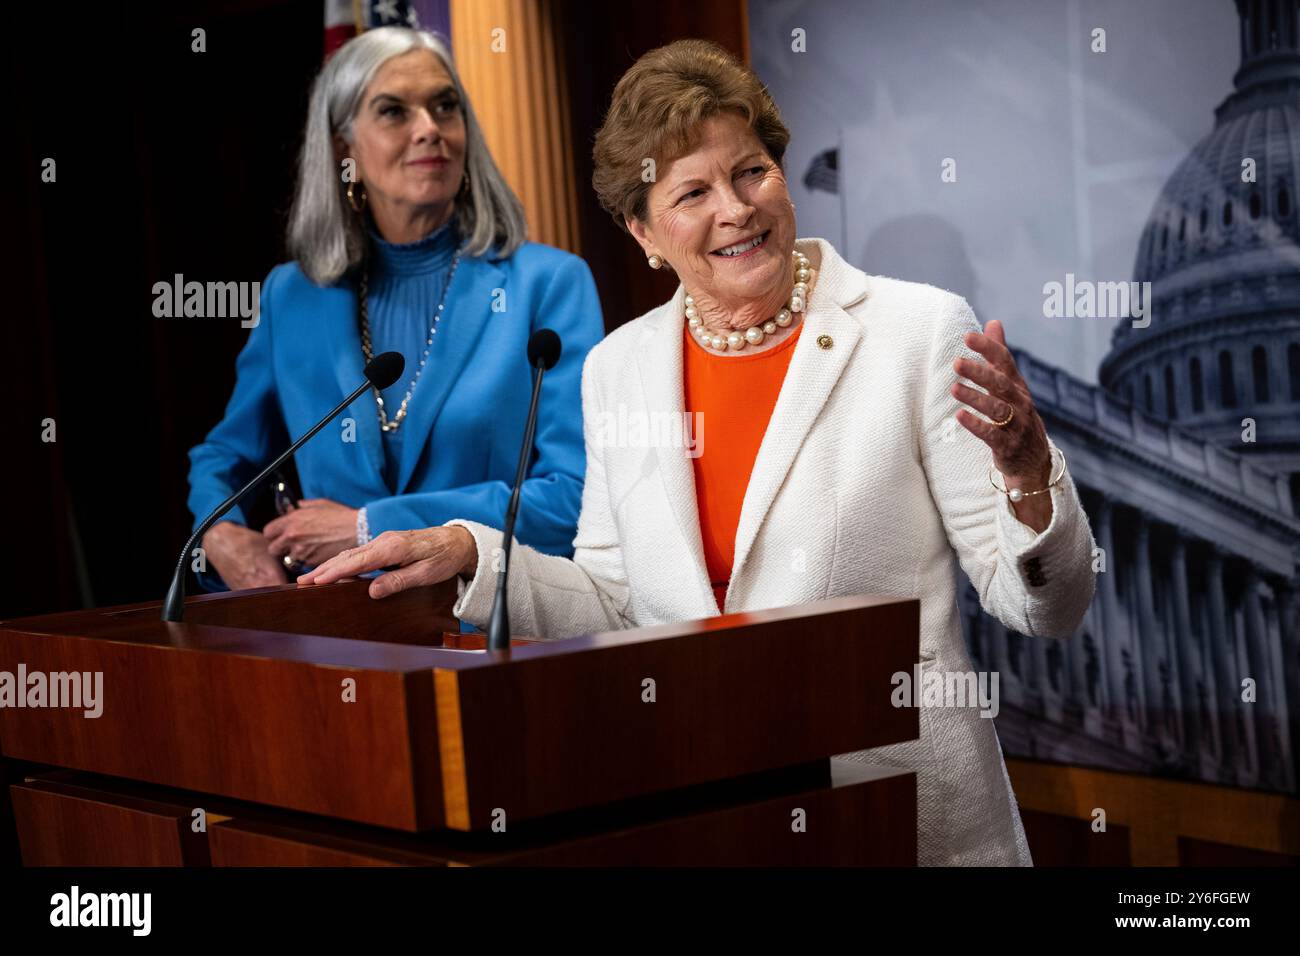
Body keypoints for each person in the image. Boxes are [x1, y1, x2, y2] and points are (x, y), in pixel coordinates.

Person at [300, 39, 1097, 866]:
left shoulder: (918, 331)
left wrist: (1027, 474)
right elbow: (614, 604)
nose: (736, 209)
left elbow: (1048, 607)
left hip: (907, 821)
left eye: (751, 172)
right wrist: (475, 552)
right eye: (693, 192)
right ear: (644, 232)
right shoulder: (618, 368)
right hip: (714, 818)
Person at [186, 26, 602, 591]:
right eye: (393, 112)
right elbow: (225, 456)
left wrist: (370, 526)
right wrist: (220, 532)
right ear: (344, 147)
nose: (429, 128)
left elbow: (574, 496)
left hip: (489, 619)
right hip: (334, 627)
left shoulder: (547, 284)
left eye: (444, 107)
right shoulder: (292, 296)